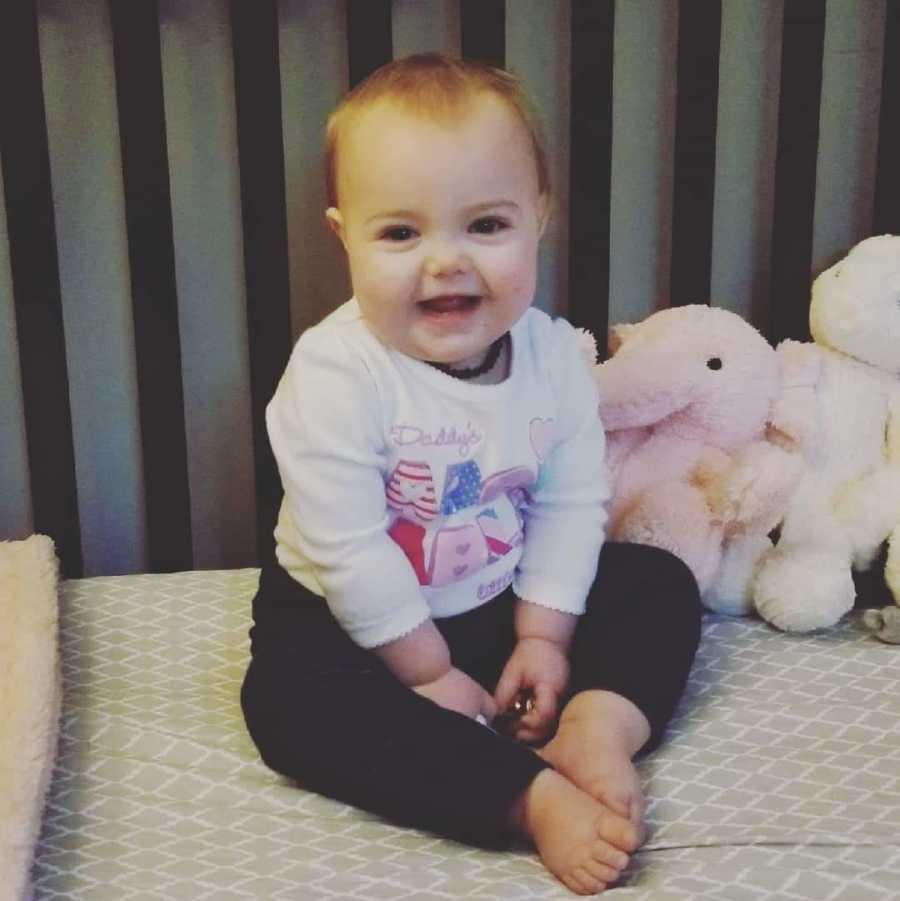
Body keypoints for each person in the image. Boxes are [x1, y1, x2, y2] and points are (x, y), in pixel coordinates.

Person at [240, 52, 702, 896]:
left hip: (500, 594)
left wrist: (543, 637)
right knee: (287, 706)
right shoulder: (336, 374)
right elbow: (347, 549)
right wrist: (423, 674)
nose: (446, 260)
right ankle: (524, 798)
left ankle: (599, 725)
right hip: (350, 619)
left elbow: (569, 501)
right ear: (345, 237)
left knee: (658, 581)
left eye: (485, 225)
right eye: (401, 232)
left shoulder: (552, 356)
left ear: (539, 219)